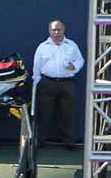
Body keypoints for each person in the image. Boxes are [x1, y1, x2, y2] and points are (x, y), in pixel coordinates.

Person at [31, 19, 83, 147]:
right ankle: (41, 141)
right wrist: (37, 83)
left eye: (59, 29)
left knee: (68, 114)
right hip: (47, 82)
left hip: (67, 83)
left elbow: (80, 60)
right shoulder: (42, 47)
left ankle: (69, 142)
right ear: (49, 31)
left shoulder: (72, 45)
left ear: (63, 30)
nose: (56, 32)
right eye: (54, 30)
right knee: (44, 113)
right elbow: (36, 66)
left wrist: (74, 66)